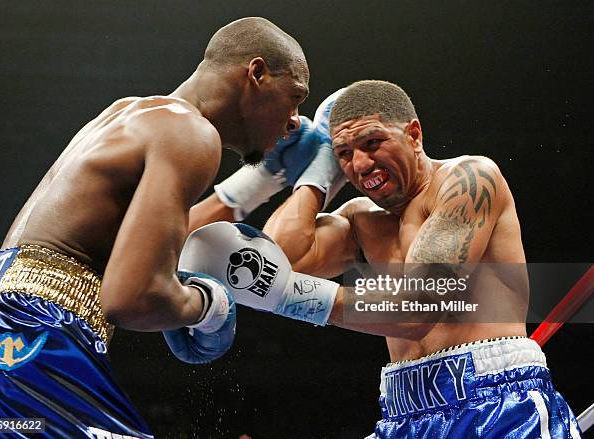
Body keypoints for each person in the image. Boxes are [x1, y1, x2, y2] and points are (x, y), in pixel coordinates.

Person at [180, 81, 582, 438]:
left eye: (372, 143)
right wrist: (318, 173)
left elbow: (419, 307)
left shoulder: (469, 180)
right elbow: (280, 263)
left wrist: (298, 297)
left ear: (414, 134)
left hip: (495, 404)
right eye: (345, 153)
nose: (360, 164)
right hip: (402, 412)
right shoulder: (360, 219)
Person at [0, 17, 310, 438]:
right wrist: (208, 305)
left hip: (4, 328)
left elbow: (135, 249)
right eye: (296, 96)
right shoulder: (192, 134)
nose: (295, 120)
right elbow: (132, 298)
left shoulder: (129, 112)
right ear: (257, 73)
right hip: (31, 341)